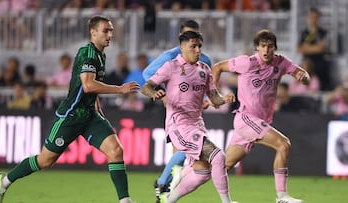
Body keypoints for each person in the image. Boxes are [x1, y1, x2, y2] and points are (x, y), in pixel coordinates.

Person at [0, 15, 139, 203]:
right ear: (93, 32)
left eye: (111, 30)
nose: (110, 34)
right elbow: (88, 85)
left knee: (116, 150)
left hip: (89, 116)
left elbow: (90, 90)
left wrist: (98, 108)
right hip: (70, 116)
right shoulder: (88, 53)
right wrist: (120, 89)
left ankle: (124, 200)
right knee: (45, 161)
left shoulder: (101, 54)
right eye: (105, 30)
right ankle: (4, 181)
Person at [212, 29, 310, 203]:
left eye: (270, 47)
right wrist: (215, 96)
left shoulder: (281, 63)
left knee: (223, 165)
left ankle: (186, 174)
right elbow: (218, 67)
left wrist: (304, 77)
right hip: (246, 119)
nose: (266, 50)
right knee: (284, 145)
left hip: (257, 122)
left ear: (275, 48)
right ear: (257, 48)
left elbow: (302, 74)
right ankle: (282, 197)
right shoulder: (247, 63)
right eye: (263, 46)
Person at [142, 31, 236, 203]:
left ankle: (168, 199)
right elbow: (146, 86)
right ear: (182, 47)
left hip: (197, 125)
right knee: (219, 156)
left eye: (199, 46)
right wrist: (155, 93)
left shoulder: (204, 70)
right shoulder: (171, 66)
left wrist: (223, 99)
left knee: (203, 172)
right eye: (193, 46)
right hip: (178, 125)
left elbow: (213, 97)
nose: (198, 50)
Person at [296, 7, 331, 91]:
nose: (313, 19)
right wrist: (312, 36)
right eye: (311, 17)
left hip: (319, 65)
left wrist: (306, 47)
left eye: (315, 17)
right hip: (307, 65)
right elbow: (299, 49)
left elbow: (321, 49)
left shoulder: (323, 33)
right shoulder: (304, 33)